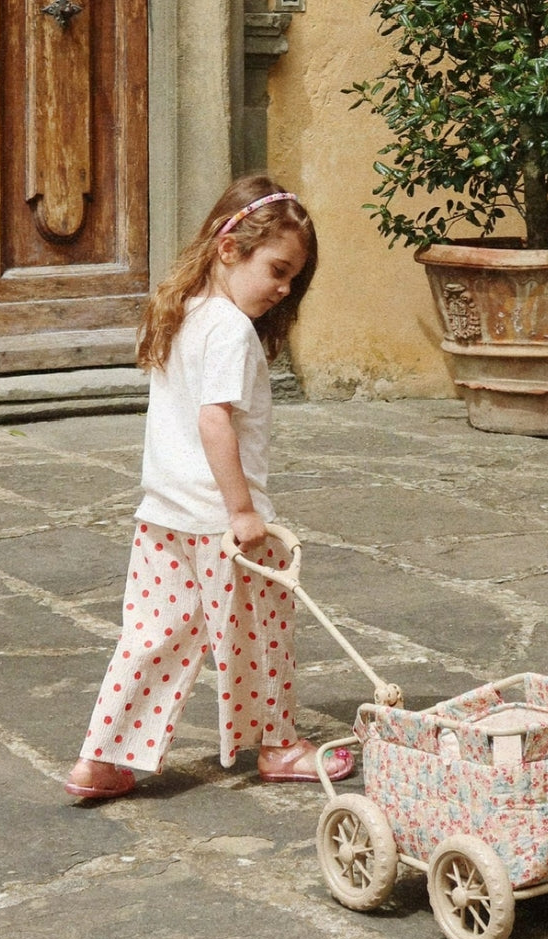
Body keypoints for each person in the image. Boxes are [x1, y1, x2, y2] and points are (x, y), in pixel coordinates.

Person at [65, 176, 354, 799]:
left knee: (152, 638)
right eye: (278, 270)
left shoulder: (183, 313)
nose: (284, 288)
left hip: (163, 514)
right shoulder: (229, 329)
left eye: (293, 279)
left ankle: (103, 758)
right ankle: (278, 744)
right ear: (229, 249)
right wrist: (243, 511)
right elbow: (213, 420)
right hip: (223, 523)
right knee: (260, 637)